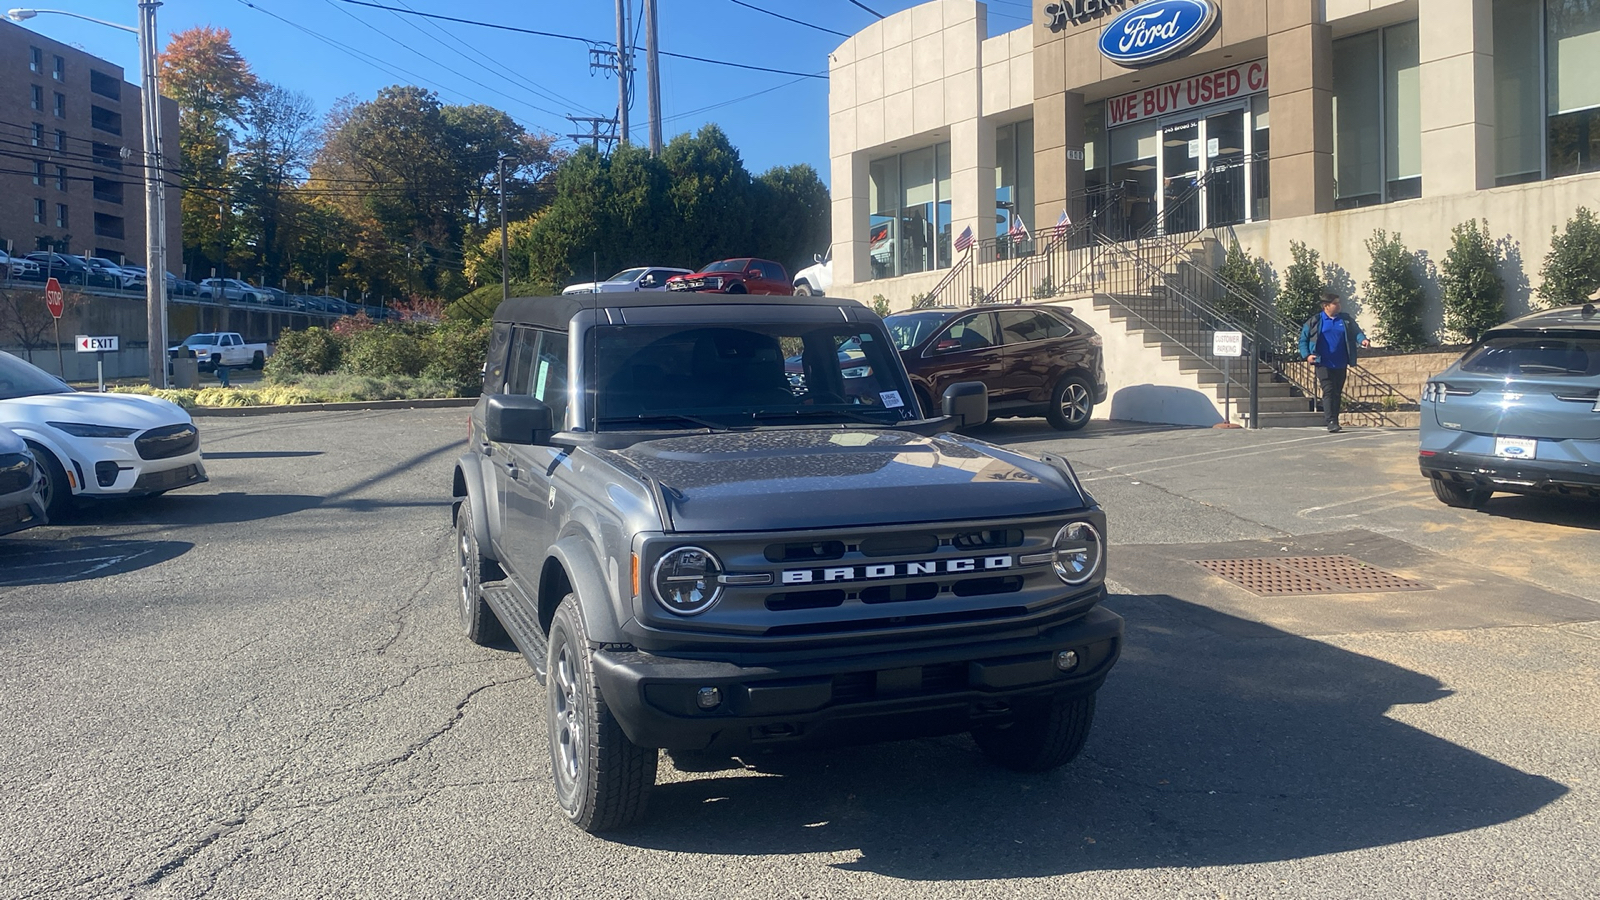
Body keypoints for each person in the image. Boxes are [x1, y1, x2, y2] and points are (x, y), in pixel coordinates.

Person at [1298, 291, 1370, 433]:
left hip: (1341, 362)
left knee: (1337, 392)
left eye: (1339, 302)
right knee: (1329, 390)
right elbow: (1303, 340)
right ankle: (1330, 421)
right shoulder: (1315, 321)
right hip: (1323, 362)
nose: (1339, 306)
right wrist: (1307, 355)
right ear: (1326, 306)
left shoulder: (1345, 320)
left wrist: (1363, 340)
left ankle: (1335, 420)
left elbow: (1356, 332)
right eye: (1335, 303)